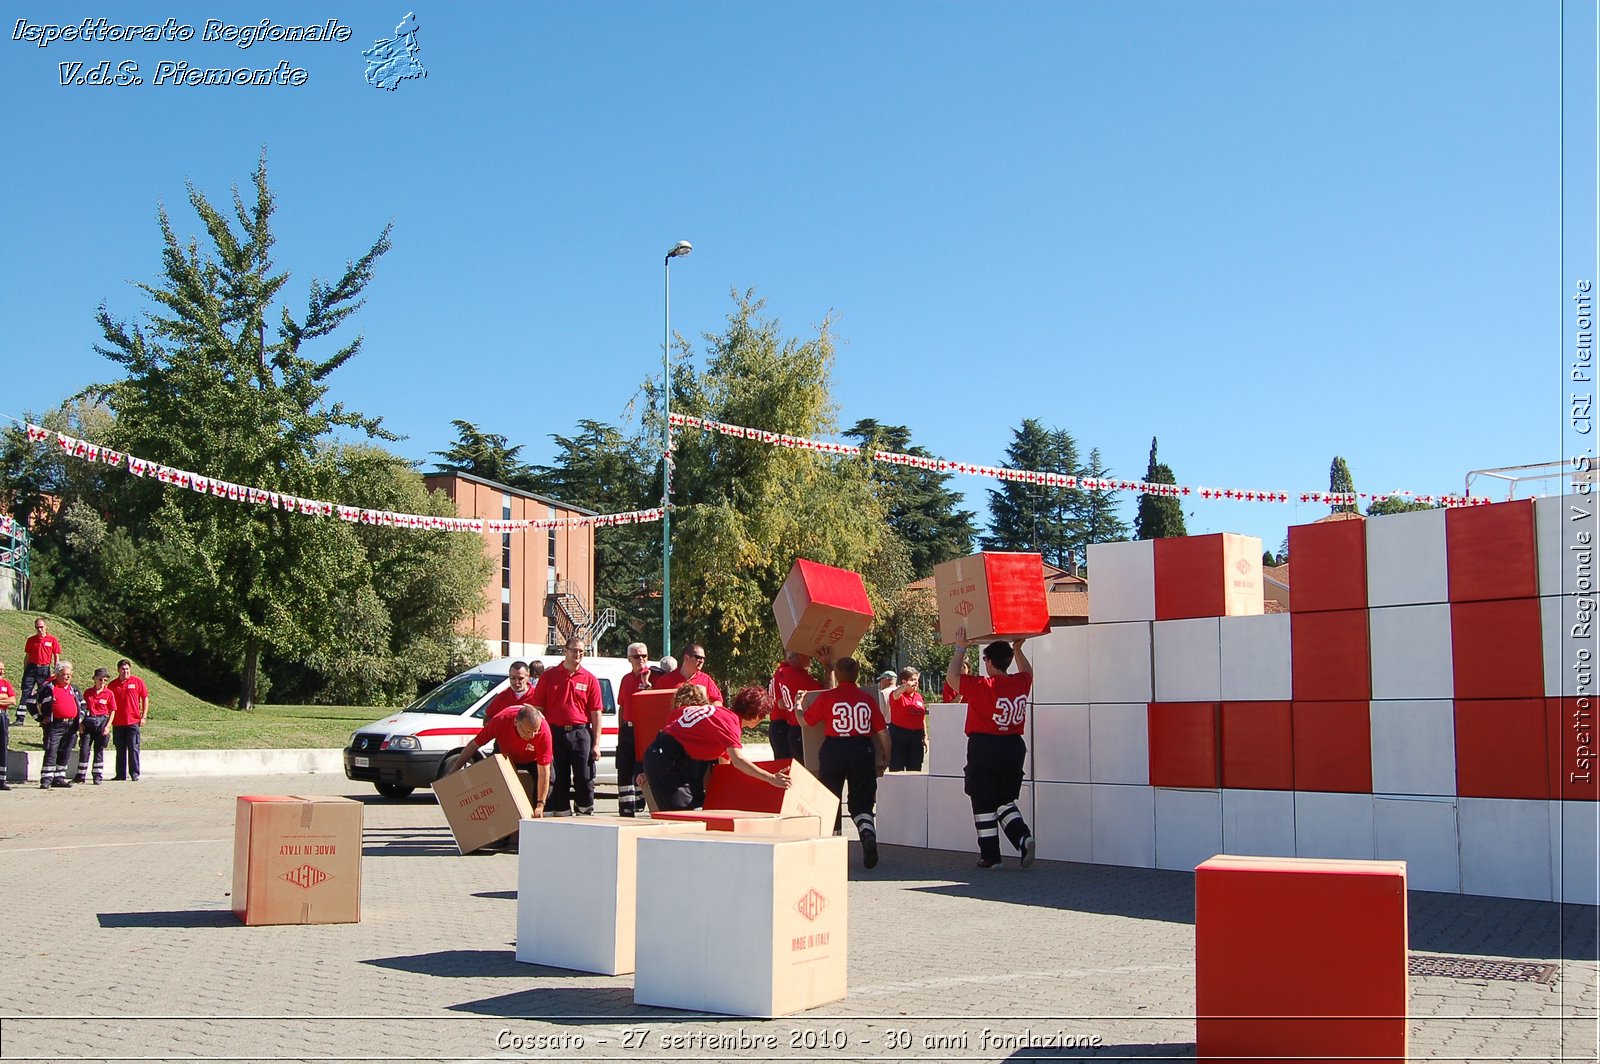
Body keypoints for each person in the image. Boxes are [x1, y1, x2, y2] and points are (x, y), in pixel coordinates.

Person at [948, 628, 1037, 869]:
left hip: (985, 746)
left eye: (985, 659)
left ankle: (990, 856)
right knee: (1004, 799)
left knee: (982, 799)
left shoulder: (984, 685)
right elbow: (1028, 671)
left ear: (989, 662)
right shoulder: (1020, 683)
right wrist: (1018, 650)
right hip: (1014, 747)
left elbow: (952, 679)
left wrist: (960, 647)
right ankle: (1022, 838)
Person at [643, 683, 790, 811]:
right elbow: (739, 761)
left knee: (692, 808)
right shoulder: (729, 723)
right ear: (757, 715)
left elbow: (725, 765)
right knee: (681, 815)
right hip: (668, 760)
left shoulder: (720, 715)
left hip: (665, 755)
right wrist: (771, 778)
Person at [804, 658, 891, 869]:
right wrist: (885, 758)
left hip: (834, 750)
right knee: (861, 802)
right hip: (862, 750)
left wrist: (799, 707)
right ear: (858, 673)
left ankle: (834, 848)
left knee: (830, 800)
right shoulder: (867, 699)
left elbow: (807, 720)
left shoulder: (828, 698)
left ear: (837, 673)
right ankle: (867, 832)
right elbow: (883, 733)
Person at [450, 704, 553, 841]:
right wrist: (454, 770)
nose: (532, 735)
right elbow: (474, 744)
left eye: (535, 731)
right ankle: (499, 834)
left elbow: (544, 772)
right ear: (516, 722)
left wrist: (540, 804)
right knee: (497, 784)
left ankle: (535, 833)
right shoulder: (501, 720)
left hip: (533, 758)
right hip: (506, 754)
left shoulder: (543, 732)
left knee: (550, 782)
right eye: (528, 732)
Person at [529, 637, 603, 815]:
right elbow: (537, 710)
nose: (577, 654)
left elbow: (596, 713)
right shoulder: (549, 677)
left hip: (581, 734)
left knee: (585, 777)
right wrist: (537, 738)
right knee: (559, 778)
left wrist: (596, 744)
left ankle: (585, 813)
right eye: (574, 650)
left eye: (581, 651)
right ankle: (562, 814)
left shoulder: (590, 679)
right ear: (565, 650)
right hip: (555, 733)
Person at [768, 648, 833, 762]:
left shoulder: (781, 672)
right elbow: (827, 692)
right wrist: (829, 667)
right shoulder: (794, 674)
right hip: (790, 726)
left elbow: (781, 703)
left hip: (783, 725)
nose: (811, 659)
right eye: (808, 656)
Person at [615, 642, 652, 817]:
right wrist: (620, 729)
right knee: (624, 769)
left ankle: (643, 804)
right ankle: (626, 809)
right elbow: (622, 707)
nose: (641, 659)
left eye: (644, 656)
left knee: (644, 769)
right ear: (629, 659)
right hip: (628, 731)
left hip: (645, 732)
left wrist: (648, 684)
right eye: (636, 656)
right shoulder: (626, 679)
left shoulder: (654, 676)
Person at [39, 661, 85, 790]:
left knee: (65, 751)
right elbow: (32, 702)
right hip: (55, 726)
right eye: (65, 674)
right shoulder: (49, 689)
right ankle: (46, 778)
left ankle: (59, 778)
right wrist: (41, 718)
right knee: (51, 751)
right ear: (58, 674)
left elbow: (83, 704)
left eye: (69, 675)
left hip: (71, 726)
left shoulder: (74, 689)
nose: (68, 677)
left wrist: (80, 719)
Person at [108, 659, 150, 782]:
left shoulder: (137, 682)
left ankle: (134, 773)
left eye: (127, 669)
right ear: (118, 670)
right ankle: (120, 774)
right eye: (123, 669)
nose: (125, 671)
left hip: (133, 721)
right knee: (120, 749)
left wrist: (144, 716)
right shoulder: (112, 685)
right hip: (118, 723)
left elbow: (145, 698)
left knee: (133, 748)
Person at [74, 667, 116, 785]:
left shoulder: (109, 694)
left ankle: (97, 776)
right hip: (88, 722)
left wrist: (108, 726)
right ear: (94, 679)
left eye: (105, 680)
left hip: (101, 722)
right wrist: (80, 724)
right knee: (84, 749)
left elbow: (113, 711)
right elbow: (81, 708)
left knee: (99, 750)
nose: (102, 682)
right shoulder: (88, 692)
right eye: (100, 679)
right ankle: (80, 775)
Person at [21, 617, 62, 725]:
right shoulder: (31, 640)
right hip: (31, 668)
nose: (39, 629)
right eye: (37, 627)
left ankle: (43, 718)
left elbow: (56, 656)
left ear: (46, 627)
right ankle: (20, 718)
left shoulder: (52, 640)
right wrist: (25, 670)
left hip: (44, 669)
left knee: (43, 693)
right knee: (26, 691)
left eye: (41, 627)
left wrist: (56, 670)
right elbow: (27, 656)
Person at [652, 644, 724, 705]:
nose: (701, 661)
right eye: (698, 657)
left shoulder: (706, 679)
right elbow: (653, 701)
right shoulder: (666, 680)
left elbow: (717, 701)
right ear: (686, 658)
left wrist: (712, 709)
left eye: (703, 658)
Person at [887, 666, 928, 772]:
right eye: (913, 680)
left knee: (915, 768)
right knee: (897, 768)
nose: (916, 683)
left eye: (917, 680)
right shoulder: (898, 695)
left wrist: (925, 736)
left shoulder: (918, 697)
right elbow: (895, 695)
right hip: (899, 735)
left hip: (916, 736)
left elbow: (922, 718)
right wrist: (904, 687)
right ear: (904, 681)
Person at [0, 659, 15, 790]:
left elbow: (13, 700)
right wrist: (3, 697)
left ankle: (1, 780)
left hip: (3, 715)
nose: (2, 672)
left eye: (3, 669)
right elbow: (7, 698)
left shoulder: (6, 683)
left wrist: (5, 698)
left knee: (2, 745)